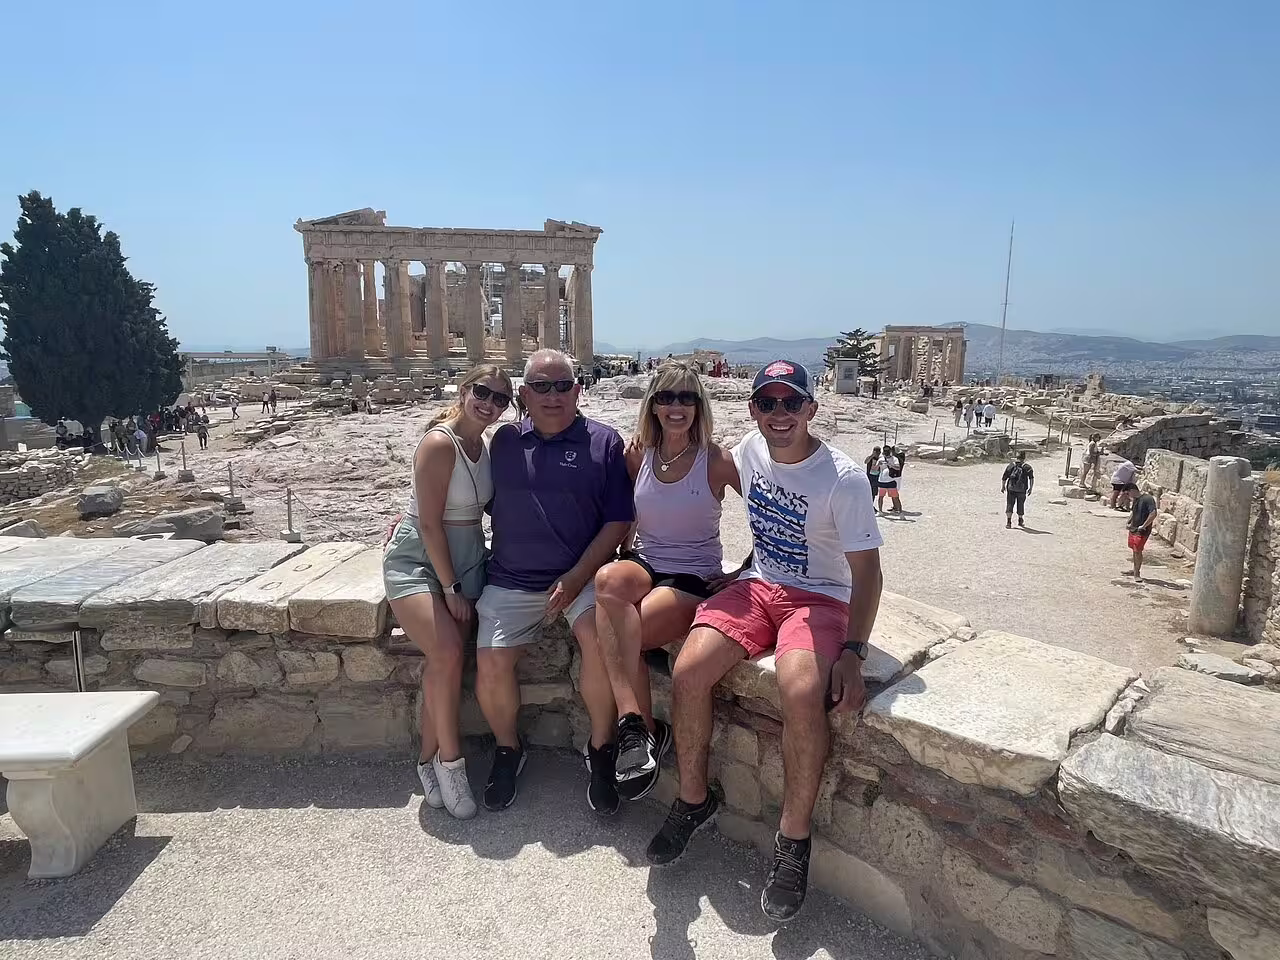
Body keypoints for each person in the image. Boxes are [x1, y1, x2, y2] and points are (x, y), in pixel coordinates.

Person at [647, 359, 882, 924]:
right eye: (768, 403)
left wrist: (853, 651)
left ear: (811, 408)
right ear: (753, 409)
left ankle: (793, 841)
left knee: (801, 691)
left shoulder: (843, 477)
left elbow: (868, 573)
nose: (780, 413)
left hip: (820, 597)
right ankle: (695, 800)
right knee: (689, 672)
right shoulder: (749, 450)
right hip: (757, 585)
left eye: (791, 402)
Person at [475, 349, 634, 814]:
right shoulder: (503, 442)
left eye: (562, 385)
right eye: (540, 387)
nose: (552, 395)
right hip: (511, 578)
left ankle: (601, 748)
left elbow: (617, 521)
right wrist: (409, 518)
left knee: (601, 648)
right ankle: (509, 748)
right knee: (490, 663)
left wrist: (576, 576)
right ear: (524, 394)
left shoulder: (604, 442)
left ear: (578, 390)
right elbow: (462, 493)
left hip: (581, 578)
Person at [593, 361, 739, 802]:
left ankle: (642, 732)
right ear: (653, 405)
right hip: (646, 560)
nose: (676, 407)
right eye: (666, 397)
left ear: (699, 406)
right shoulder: (639, 454)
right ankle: (638, 725)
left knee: (625, 635)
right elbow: (624, 513)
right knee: (607, 581)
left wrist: (743, 572)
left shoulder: (716, 460)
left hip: (693, 573)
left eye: (686, 398)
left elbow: (767, 514)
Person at [383, 363, 514, 819]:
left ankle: (425, 760)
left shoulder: (486, 445)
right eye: (483, 392)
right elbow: (430, 523)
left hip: (469, 558)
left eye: (501, 398)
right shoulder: (440, 442)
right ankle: (451, 765)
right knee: (448, 653)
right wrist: (450, 587)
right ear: (463, 390)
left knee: (446, 660)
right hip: (422, 560)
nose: (490, 403)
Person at [1127, 488, 1158, 582]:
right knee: (1134, 549)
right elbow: (1133, 511)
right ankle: (1135, 569)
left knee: (1138, 550)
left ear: (1133, 490)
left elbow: (1153, 513)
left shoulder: (1148, 499)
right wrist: (1129, 521)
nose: (1128, 495)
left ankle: (1137, 573)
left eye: (1128, 493)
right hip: (1133, 528)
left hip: (1142, 530)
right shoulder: (1136, 499)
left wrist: (1144, 525)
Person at [1001, 452, 1035, 528]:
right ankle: (1020, 520)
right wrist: (1030, 488)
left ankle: (1009, 522)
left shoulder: (1011, 466)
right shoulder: (1027, 467)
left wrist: (1003, 486)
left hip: (1011, 488)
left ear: (1016, 457)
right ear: (1024, 458)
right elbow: (1031, 478)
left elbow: (1004, 477)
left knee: (1010, 504)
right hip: (1022, 490)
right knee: (1021, 504)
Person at [876, 445, 902, 514]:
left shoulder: (894, 459)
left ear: (890, 451)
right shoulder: (881, 459)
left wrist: (890, 464)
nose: (886, 452)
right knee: (881, 496)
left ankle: (900, 512)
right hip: (882, 480)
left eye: (888, 451)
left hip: (891, 480)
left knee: (895, 497)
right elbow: (875, 469)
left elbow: (898, 467)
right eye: (885, 451)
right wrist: (878, 464)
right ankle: (880, 511)